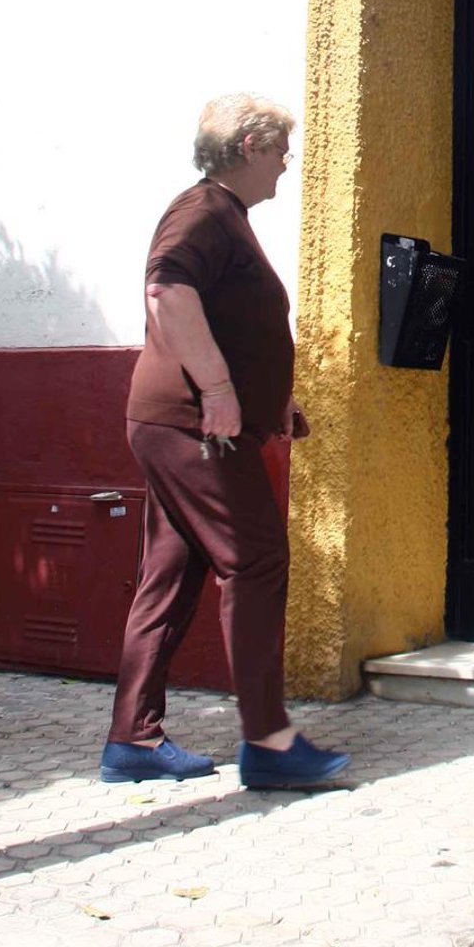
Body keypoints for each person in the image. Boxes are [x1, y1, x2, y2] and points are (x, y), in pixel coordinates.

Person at [100, 94, 349, 791]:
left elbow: (229, 318)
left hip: (184, 423)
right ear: (248, 146)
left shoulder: (226, 216)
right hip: (192, 425)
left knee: (171, 576)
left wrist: (273, 399)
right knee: (257, 559)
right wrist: (217, 390)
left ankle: (133, 739)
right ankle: (269, 741)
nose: (286, 163)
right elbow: (168, 291)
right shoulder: (203, 210)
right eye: (280, 150)